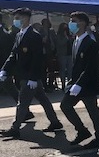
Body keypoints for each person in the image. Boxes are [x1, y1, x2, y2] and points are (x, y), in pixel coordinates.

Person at [0, 8, 63, 138]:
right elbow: (13, 54)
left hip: (29, 76)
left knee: (22, 102)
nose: (15, 20)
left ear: (26, 18)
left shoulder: (34, 35)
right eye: (15, 18)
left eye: (18, 18)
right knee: (43, 100)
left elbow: (37, 59)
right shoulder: (19, 34)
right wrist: (5, 69)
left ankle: (15, 128)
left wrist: (34, 78)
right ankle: (55, 122)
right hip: (24, 74)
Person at [60, 12, 99, 149]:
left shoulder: (90, 43)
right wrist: (72, 83)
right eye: (70, 21)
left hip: (88, 84)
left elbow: (90, 67)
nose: (71, 24)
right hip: (76, 84)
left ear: (83, 23)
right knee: (65, 106)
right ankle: (82, 131)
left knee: (93, 112)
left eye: (74, 21)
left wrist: (79, 84)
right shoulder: (75, 40)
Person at [55, 22, 73, 91]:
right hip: (62, 54)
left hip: (69, 54)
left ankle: (70, 84)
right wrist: (66, 38)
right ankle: (63, 84)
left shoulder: (69, 35)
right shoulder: (59, 35)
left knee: (70, 70)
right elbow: (60, 43)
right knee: (62, 70)